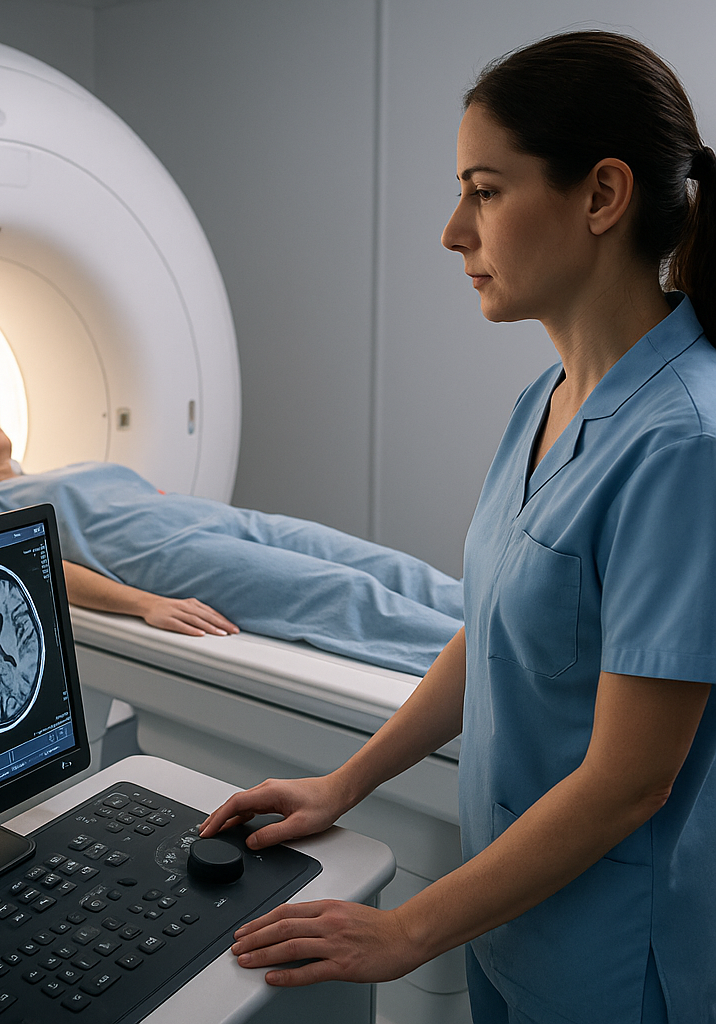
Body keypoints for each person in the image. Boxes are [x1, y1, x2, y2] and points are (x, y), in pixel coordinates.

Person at [200, 31, 716, 1024]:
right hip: (513, 918)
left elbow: (627, 782)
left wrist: (408, 929)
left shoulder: (682, 444)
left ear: (601, 196)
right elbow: (493, 630)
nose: (450, 230)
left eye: (484, 190)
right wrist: (341, 783)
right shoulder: (549, 396)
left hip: (614, 961)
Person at [0, 400, 463, 676]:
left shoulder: (60, 470)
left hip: (221, 519)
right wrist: (146, 604)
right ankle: (488, 671)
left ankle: (522, 630)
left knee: (389, 566)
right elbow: (33, 568)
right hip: (175, 558)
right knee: (340, 592)